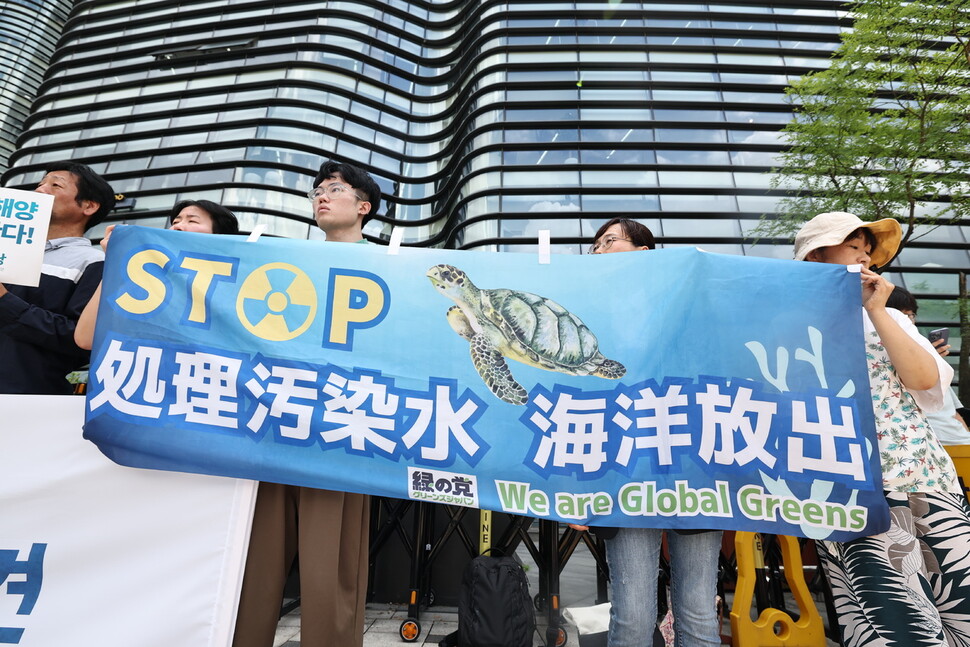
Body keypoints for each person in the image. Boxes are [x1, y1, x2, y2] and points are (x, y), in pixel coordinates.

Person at [793, 211, 970, 646]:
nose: (866, 260)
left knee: (962, 608)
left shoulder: (891, 318)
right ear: (817, 255)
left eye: (869, 253)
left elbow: (925, 381)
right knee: (897, 625)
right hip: (854, 489)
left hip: (928, 478)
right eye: (854, 248)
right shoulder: (789, 326)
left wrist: (878, 311)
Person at [232, 160, 380, 647]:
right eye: (316, 190)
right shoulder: (285, 268)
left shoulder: (391, 268)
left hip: (341, 427)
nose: (321, 195)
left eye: (334, 189)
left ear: (364, 206)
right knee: (252, 564)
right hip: (276, 423)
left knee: (329, 567)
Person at [571, 217, 724, 647]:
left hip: (694, 468)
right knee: (633, 615)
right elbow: (581, 402)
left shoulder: (689, 301)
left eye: (608, 241)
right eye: (595, 246)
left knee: (696, 612)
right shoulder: (588, 317)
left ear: (644, 252)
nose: (598, 250)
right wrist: (576, 486)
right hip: (625, 473)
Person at [0, 161, 115, 394]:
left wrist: (5, 301)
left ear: (89, 206)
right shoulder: (8, 249)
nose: (40, 190)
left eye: (55, 185)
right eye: (40, 184)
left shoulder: (95, 263)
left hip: (24, 400)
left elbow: (78, 339)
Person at [74, 199, 239, 350]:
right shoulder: (144, 284)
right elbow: (86, 339)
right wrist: (115, 260)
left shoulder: (235, 291)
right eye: (175, 221)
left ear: (220, 236)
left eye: (192, 220)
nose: (178, 226)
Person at [884, 286, 970, 445]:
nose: (909, 320)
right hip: (929, 442)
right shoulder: (881, 356)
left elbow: (955, 412)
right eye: (901, 315)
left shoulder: (928, 356)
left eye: (911, 315)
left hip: (960, 442)